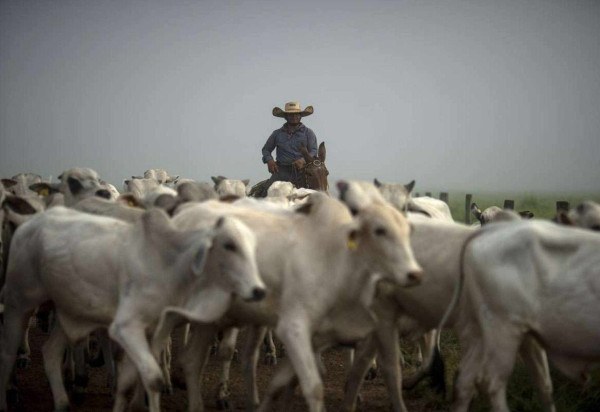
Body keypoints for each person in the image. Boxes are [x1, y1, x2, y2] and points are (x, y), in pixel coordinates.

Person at [261, 102, 318, 189]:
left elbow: (313, 151)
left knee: (316, 194)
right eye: (291, 115)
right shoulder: (277, 133)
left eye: (297, 114)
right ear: (286, 117)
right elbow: (266, 150)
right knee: (267, 191)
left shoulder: (308, 133)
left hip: (303, 171)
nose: (294, 117)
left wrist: (302, 160)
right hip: (281, 171)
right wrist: (269, 161)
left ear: (300, 116)